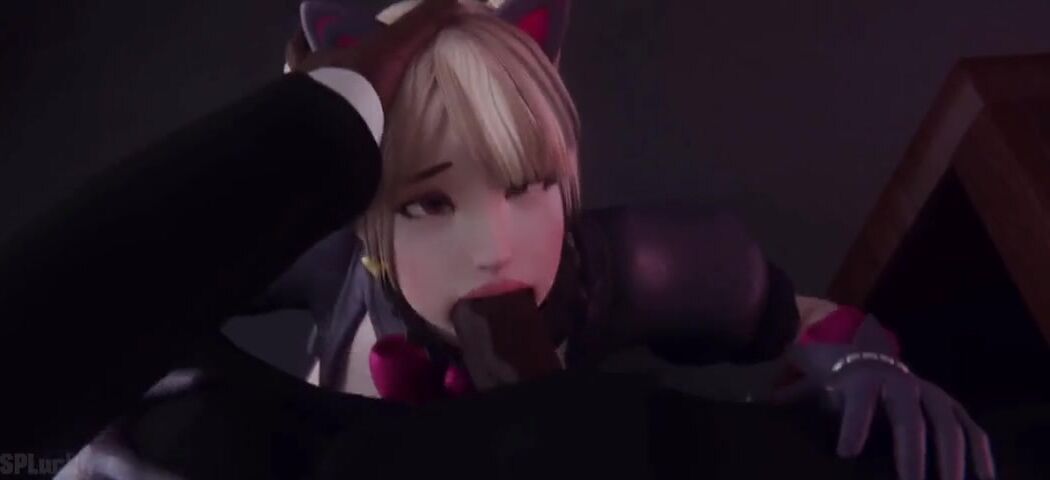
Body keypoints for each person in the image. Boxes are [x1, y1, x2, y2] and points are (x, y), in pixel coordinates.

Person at [3, 1, 995, 479]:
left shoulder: (635, 269)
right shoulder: (317, 254)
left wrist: (865, 363)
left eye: (527, 187)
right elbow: (128, 287)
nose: (495, 246)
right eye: (431, 203)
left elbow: (803, 317)